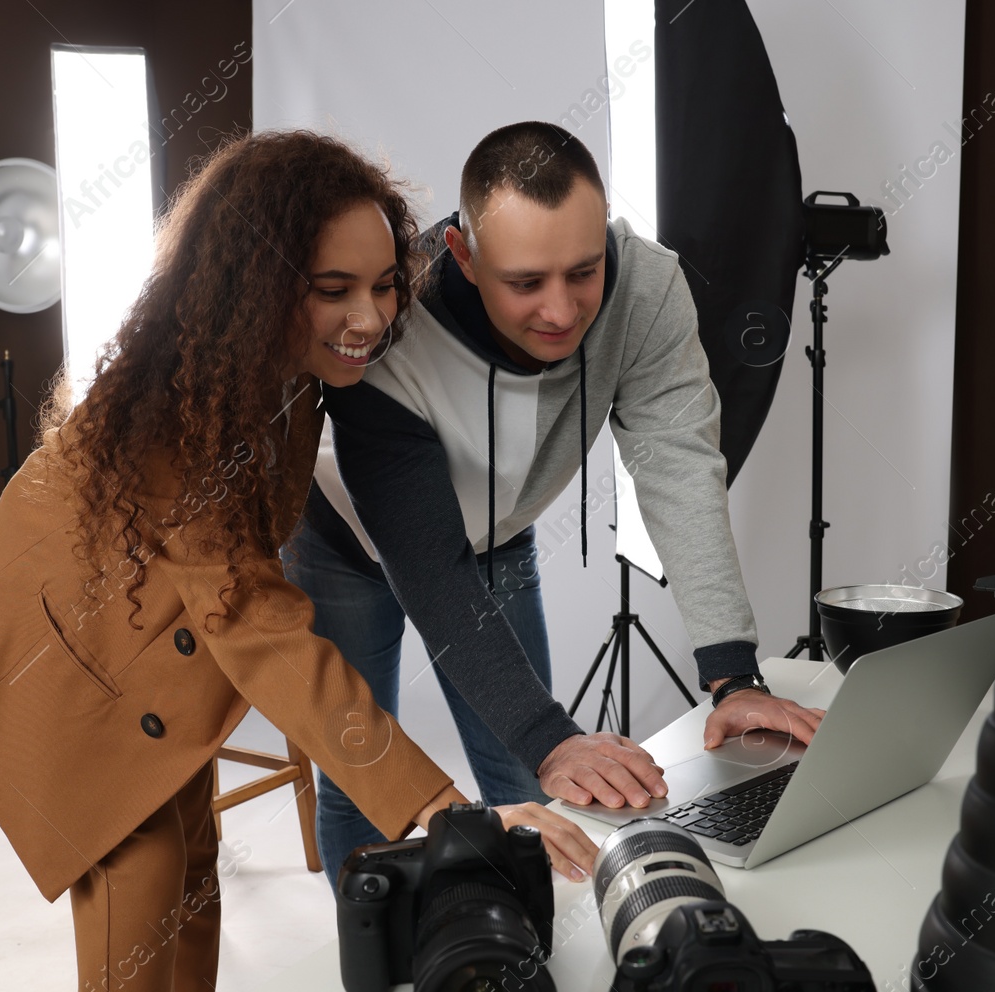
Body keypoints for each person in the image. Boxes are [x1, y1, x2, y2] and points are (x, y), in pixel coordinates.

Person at [0, 130, 597, 992]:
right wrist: (447, 808)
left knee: (196, 866)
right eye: (334, 290)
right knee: (145, 873)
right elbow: (254, 622)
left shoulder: (281, 374)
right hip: (63, 663)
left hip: (153, 645)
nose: (370, 316)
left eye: (382, 284)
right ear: (259, 287)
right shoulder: (177, 414)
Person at [288, 120, 824, 878]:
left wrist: (732, 674)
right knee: (359, 783)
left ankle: (524, 958)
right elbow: (430, 564)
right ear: (464, 257)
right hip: (344, 543)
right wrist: (550, 734)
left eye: (583, 270)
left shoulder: (643, 284)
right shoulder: (387, 325)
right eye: (526, 282)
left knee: (526, 777)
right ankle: (381, 965)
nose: (563, 309)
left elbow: (678, 463)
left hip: (496, 538)